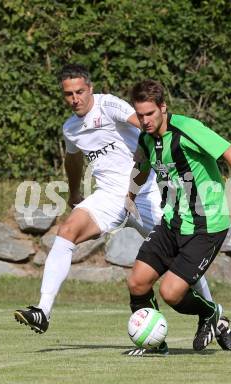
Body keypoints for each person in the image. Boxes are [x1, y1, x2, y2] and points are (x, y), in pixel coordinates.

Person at [13, 64, 218, 339]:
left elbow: (146, 124)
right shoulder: (70, 129)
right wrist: (74, 194)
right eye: (69, 94)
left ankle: (215, 312)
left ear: (91, 89)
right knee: (67, 232)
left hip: (147, 192)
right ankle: (43, 311)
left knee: (180, 255)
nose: (75, 99)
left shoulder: (108, 105)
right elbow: (72, 160)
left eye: (80, 92)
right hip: (109, 197)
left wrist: (167, 162)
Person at [126, 79, 231, 355]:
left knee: (171, 293)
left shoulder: (187, 129)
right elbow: (141, 165)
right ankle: (154, 344)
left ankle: (209, 314)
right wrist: (130, 196)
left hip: (206, 225)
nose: (144, 120)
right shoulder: (146, 138)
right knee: (137, 282)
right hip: (173, 222)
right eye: (140, 114)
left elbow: (229, 151)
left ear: (163, 107)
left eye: (150, 114)